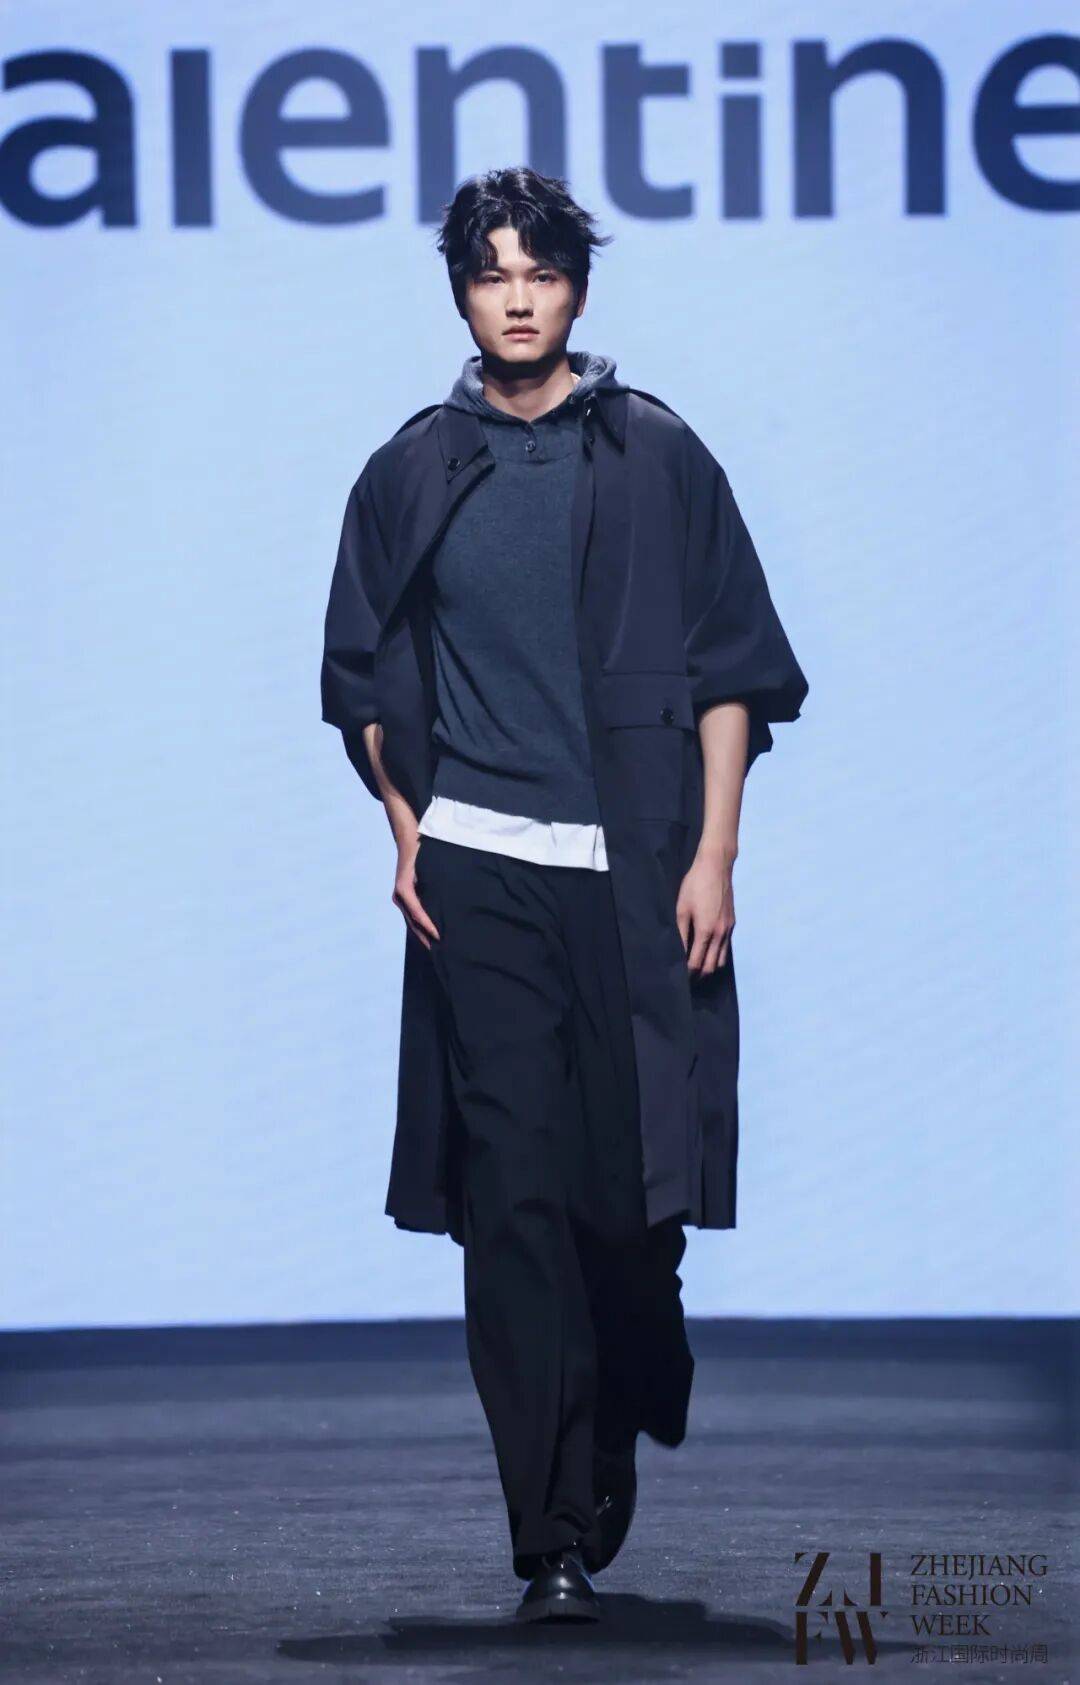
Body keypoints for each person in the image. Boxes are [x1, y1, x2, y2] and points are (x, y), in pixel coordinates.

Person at [320, 165, 808, 1622]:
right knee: (514, 1198)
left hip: (635, 875)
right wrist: (405, 823)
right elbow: (362, 677)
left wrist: (716, 855)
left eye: (541, 272)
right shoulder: (411, 470)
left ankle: (628, 1380)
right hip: (479, 871)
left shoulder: (658, 455)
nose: (519, 298)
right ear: (461, 295)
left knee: (621, 1205)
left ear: (579, 290)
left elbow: (732, 668)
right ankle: (549, 1536)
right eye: (493, 274)